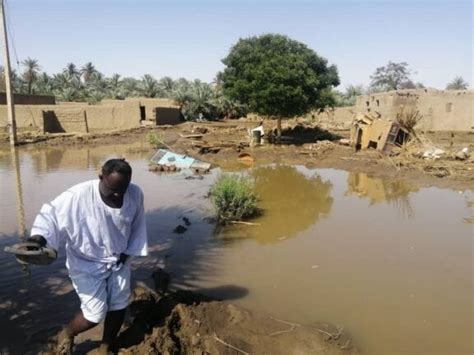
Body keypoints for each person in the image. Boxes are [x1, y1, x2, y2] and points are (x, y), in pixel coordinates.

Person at [28, 158, 148, 354]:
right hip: (86, 263)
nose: (118, 195)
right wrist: (38, 239)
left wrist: (128, 253)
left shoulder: (135, 193)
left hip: (119, 259)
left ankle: (105, 346)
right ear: (101, 177)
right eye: (113, 189)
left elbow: (137, 225)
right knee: (95, 313)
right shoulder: (78, 195)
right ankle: (68, 332)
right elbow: (50, 215)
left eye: (122, 190)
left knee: (118, 305)